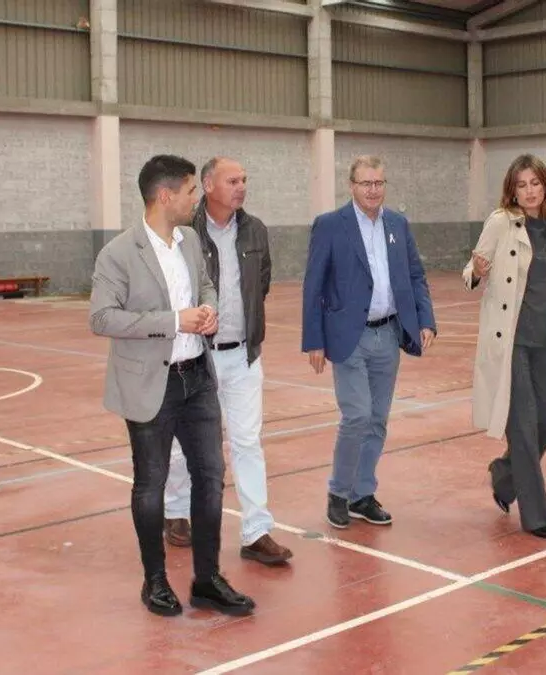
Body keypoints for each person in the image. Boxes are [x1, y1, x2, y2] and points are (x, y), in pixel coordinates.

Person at [89, 154, 255, 617]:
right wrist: (174, 321)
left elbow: (205, 285)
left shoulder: (191, 241)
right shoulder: (118, 253)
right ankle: (156, 581)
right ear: (165, 196)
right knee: (151, 484)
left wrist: (207, 309)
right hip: (151, 385)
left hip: (197, 377)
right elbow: (101, 318)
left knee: (210, 478)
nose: (195, 198)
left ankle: (207, 580)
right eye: (189, 191)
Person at [161, 156, 293, 567]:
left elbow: (261, 283)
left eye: (244, 180)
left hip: (243, 356)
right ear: (208, 186)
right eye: (232, 180)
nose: (241, 187)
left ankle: (256, 532)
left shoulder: (255, 231)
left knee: (247, 442)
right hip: (196, 358)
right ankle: (176, 511)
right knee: (185, 444)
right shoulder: (184, 233)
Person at [301, 155, 437, 530]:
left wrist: (425, 319)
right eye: (366, 183)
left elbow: (415, 275)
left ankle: (361, 494)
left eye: (378, 183)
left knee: (377, 419)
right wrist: (314, 340)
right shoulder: (330, 225)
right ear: (352, 186)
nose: (373, 190)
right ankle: (338, 492)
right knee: (357, 415)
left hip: (388, 334)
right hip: (349, 336)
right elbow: (313, 285)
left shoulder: (397, 224)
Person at [462, 153, 546, 541]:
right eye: (522, 185)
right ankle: (537, 516)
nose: (529, 191)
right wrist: (476, 271)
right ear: (512, 191)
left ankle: (504, 475)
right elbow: (473, 268)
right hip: (511, 342)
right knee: (524, 429)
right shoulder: (501, 222)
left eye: (535, 183)